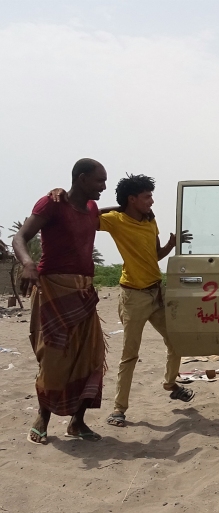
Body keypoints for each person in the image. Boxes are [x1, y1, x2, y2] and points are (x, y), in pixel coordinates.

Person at [51, 174, 194, 428]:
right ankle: (119, 409)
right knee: (130, 354)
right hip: (134, 296)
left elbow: (155, 256)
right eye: (146, 196)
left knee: (177, 342)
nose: (152, 201)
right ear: (132, 199)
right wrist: (64, 195)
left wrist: (171, 244)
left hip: (156, 292)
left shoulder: (150, 220)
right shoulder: (116, 220)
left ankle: (171, 384)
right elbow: (86, 214)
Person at [13, 158, 108, 444]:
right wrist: (28, 263)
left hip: (84, 293)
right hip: (54, 290)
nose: (104, 186)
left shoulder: (91, 208)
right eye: (99, 180)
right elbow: (20, 237)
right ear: (81, 178)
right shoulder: (51, 203)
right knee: (55, 358)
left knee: (91, 358)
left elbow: (107, 213)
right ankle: (42, 417)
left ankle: (77, 423)